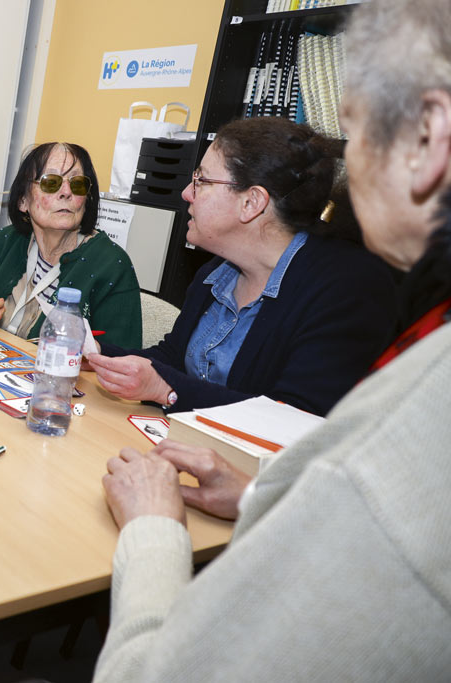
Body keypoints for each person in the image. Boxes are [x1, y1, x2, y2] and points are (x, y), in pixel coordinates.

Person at [95, 0, 451, 679]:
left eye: (355, 127)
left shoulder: (355, 291)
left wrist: (153, 522)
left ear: (430, 134)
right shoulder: (213, 276)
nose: (187, 195)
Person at [87, 116, 397, 417]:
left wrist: (167, 391)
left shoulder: (346, 290)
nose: (186, 193)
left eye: (202, 180)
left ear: (252, 202)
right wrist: (95, 353)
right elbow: (173, 359)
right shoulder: (215, 273)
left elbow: (294, 419)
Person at [0, 142, 142, 345]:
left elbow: (125, 358)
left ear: (87, 199)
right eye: (51, 182)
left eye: (77, 183)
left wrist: (92, 354)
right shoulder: (10, 241)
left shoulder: (111, 264)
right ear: (23, 200)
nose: (66, 192)